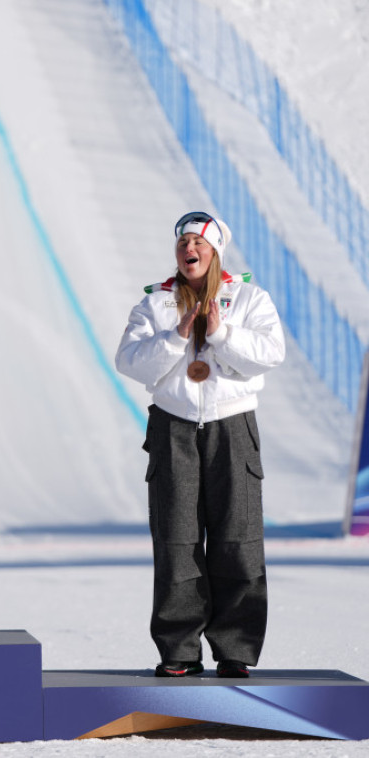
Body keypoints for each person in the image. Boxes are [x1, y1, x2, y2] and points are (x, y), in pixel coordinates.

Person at [115, 211, 285, 678]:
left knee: (238, 538)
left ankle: (235, 649)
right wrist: (176, 336)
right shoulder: (156, 304)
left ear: (215, 252)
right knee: (177, 540)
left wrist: (221, 333)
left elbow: (271, 353)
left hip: (232, 426)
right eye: (182, 243)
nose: (188, 249)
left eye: (198, 243)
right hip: (173, 427)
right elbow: (129, 361)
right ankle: (179, 650)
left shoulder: (249, 298)